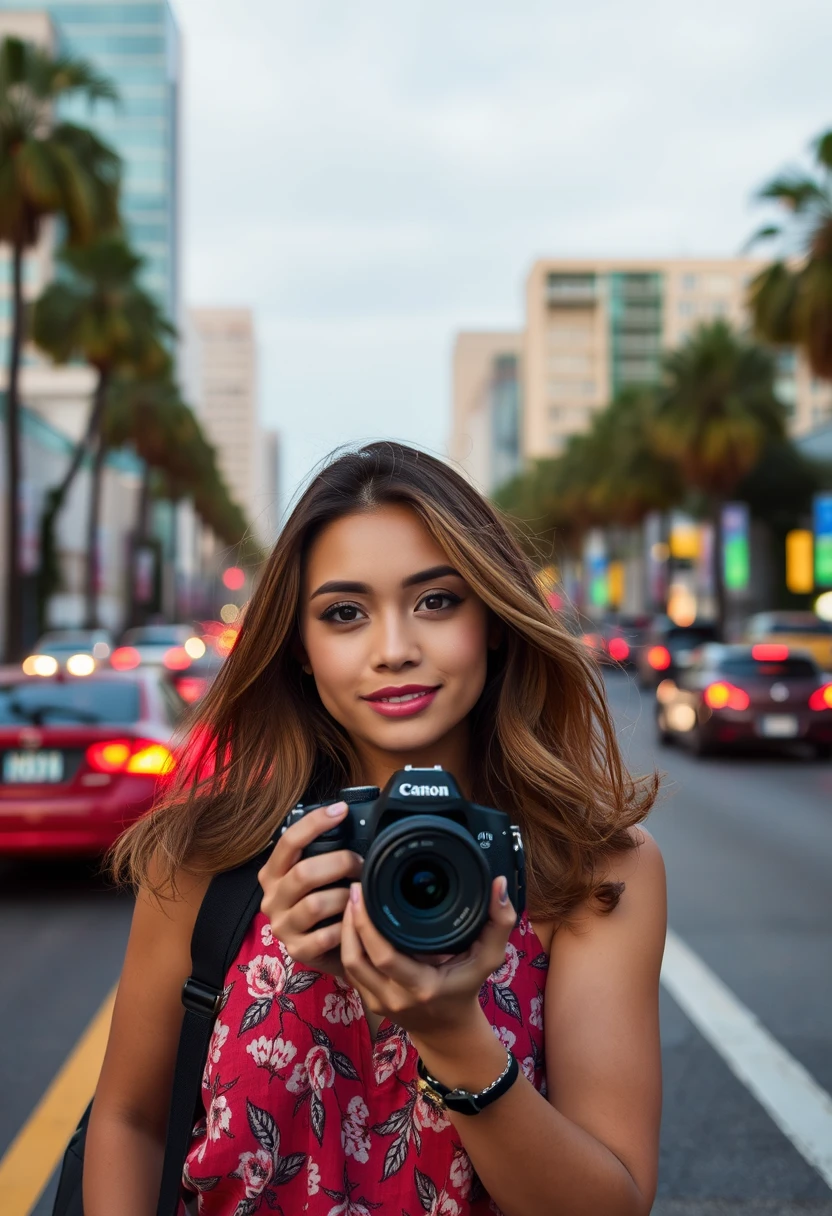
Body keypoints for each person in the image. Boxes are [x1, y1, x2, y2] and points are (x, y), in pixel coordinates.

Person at [84, 441, 666, 1216]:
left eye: (436, 601)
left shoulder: (591, 869)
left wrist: (452, 1035)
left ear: (491, 619)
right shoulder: (208, 855)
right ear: (299, 645)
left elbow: (613, 1204)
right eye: (345, 614)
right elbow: (130, 1120)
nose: (394, 650)